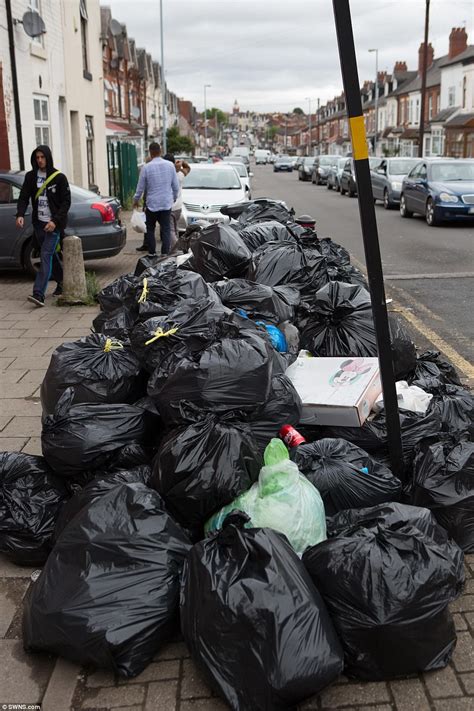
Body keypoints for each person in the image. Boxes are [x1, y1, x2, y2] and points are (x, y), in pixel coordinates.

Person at [16, 145, 71, 307]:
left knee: (45, 255)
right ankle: (62, 282)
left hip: (54, 225)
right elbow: (24, 197)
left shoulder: (59, 178)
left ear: (48, 157)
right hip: (39, 224)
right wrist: (20, 214)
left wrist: (54, 221)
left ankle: (38, 294)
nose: (40, 160)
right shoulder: (31, 177)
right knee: (51, 254)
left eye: (42, 157)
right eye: (37, 157)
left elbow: (66, 202)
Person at [132, 142, 179, 256]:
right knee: (166, 229)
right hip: (166, 203)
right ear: (160, 151)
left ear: (150, 152)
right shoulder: (170, 166)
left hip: (151, 204)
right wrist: (173, 198)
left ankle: (152, 253)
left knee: (150, 229)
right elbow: (175, 186)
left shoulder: (146, 168)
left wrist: (136, 200)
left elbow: (140, 187)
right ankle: (164, 253)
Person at [163, 154, 191, 252]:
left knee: (170, 230)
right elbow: (188, 168)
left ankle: (177, 250)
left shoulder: (165, 174)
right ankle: (174, 247)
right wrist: (182, 162)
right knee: (175, 229)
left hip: (169, 206)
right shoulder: (180, 174)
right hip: (178, 207)